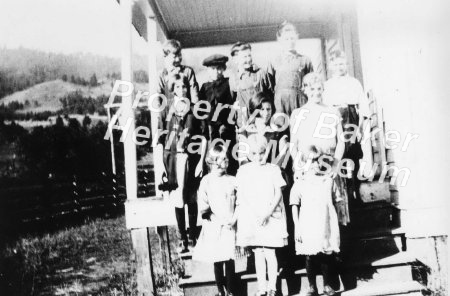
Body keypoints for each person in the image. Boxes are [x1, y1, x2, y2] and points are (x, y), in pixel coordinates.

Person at [155, 74, 208, 252]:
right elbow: (161, 138)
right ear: (172, 90)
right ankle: (181, 239)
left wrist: (201, 162)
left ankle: (193, 237)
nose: (182, 90)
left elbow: (203, 137)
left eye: (184, 86)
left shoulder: (195, 110)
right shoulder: (167, 111)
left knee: (191, 198)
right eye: (177, 87)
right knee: (178, 199)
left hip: (191, 159)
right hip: (174, 160)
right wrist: (163, 165)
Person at [290, 72, 349, 225]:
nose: (316, 92)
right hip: (308, 167)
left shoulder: (332, 112)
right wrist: (298, 167)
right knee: (313, 211)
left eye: (318, 89)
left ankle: (335, 247)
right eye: (312, 89)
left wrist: (336, 165)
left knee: (333, 208)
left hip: (329, 165)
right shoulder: (298, 114)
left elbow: (341, 141)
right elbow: (293, 145)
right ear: (305, 90)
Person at [235, 134, 288, 296]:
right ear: (249, 155)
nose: (259, 157)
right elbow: (241, 195)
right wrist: (254, 213)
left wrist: (267, 212)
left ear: (267, 151)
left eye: (262, 152)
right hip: (253, 218)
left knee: (270, 252)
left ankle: (273, 287)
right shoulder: (244, 171)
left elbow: (278, 193)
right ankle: (262, 288)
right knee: (258, 252)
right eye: (254, 154)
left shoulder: (273, 169)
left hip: (270, 216)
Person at [290, 145, 342, 296]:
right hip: (308, 223)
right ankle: (312, 286)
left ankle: (327, 285)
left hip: (325, 223)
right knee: (310, 254)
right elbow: (294, 204)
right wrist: (297, 227)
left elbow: (337, 202)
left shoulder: (328, 180)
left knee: (326, 253)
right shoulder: (301, 181)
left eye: (316, 161)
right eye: (309, 161)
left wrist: (335, 222)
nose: (313, 165)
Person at [322, 50, 371, 201]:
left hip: (351, 118)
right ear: (330, 66)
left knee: (353, 154)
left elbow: (363, 107)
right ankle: (343, 195)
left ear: (346, 64)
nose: (339, 67)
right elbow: (324, 106)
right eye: (336, 64)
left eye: (342, 63)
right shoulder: (327, 85)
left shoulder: (354, 82)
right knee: (339, 155)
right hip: (335, 118)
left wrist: (360, 127)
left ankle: (355, 190)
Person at [193, 144, 237, 296]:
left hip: (229, 225)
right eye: (223, 159)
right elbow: (204, 208)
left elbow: (240, 202)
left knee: (230, 259)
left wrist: (233, 219)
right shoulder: (206, 181)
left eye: (227, 158)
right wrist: (217, 220)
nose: (226, 161)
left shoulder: (232, 180)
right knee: (217, 259)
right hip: (214, 225)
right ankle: (221, 290)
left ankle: (231, 290)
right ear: (213, 161)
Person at [267, 21, 314, 128]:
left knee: (302, 133)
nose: (290, 41)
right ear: (279, 39)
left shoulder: (305, 60)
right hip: (280, 103)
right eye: (286, 39)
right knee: (283, 135)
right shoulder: (274, 61)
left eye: (292, 38)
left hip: (300, 102)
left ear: (297, 38)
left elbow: (312, 85)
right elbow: (269, 87)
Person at [199, 54, 238, 174]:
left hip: (226, 129)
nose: (216, 71)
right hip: (211, 130)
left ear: (224, 68)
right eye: (213, 69)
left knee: (228, 158)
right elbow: (202, 110)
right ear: (207, 70)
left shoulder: (229, 84)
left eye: (219, 68)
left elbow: (235, 102)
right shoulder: (204, 87)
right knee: (212, 157)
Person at [229, 43, 273, 133]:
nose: (248, 59)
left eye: (249, 56)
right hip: (244, 121)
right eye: (244, 57)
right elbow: (234, 101)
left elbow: (271, 95)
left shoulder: (261, 73)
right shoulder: (234, 78)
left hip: (261, 119)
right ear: (236, 59)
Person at [156, 39, 200, 123]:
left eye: (179, 55)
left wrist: (194, 112)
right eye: (174, 56)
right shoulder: (161, 75)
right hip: (169, 114)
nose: (178, 59)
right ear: (166, 56)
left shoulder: (188, 71)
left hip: (187, 113)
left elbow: (194, 94)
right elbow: (158, 97)